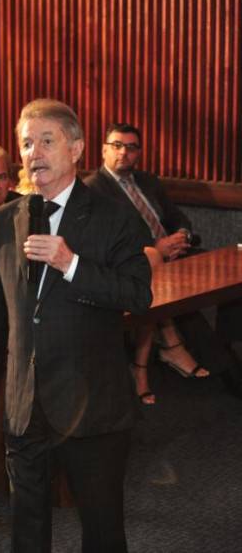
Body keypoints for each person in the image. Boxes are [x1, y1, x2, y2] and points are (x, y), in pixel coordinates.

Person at [0, 99, 153, 552]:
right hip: (24, 404)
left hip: (92, 403)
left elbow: (137, 296)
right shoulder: (5, 220)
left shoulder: (111, 214)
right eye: (26, 143)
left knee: (102, 529)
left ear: (77, 147)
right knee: (26, 528)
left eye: (47, 140)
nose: (34, 152)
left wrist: (71, 264)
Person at [84, 123, 242, 402]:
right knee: (185, 300)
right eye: (117, 145)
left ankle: (232, 345)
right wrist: (156, 248)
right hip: (139, 263)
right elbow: (105, 242)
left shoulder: (147, 181)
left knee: (233, 275)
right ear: (104, 150)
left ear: (139, 153)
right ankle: (224, 367)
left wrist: (182, 234)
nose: (124, 152)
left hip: (177, 252)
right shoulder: (92, 189)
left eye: (131, 147)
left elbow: (175, 215)